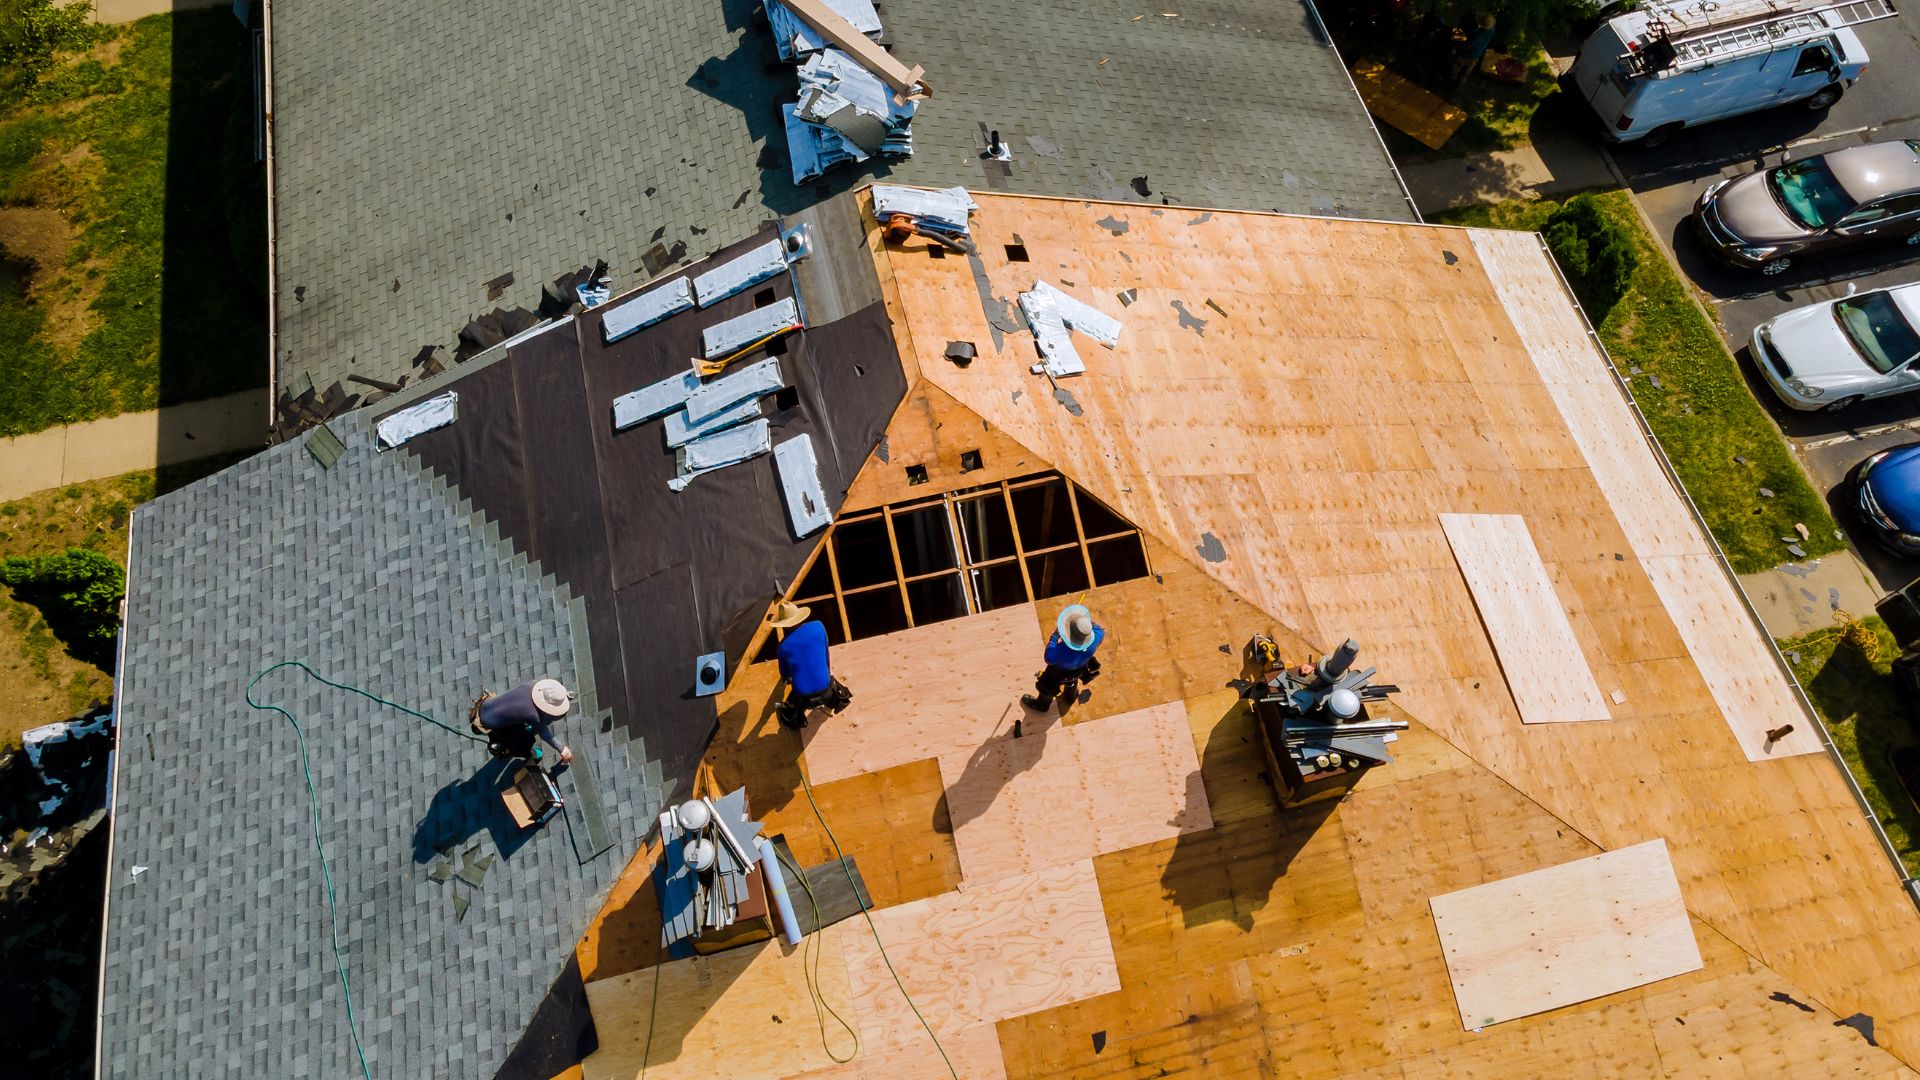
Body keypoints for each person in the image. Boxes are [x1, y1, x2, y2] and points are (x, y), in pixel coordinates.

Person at [769, 600, 852, 730]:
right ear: (799, 616)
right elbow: (825, 652)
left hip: (804, 699)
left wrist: (788, 677)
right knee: (833, 684)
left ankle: (794, 719)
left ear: (783, 625)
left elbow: (785, 676)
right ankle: (833, 702)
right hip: (827, 691)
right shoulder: (818, 627)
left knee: (787, 713)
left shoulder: (783, 646)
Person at [470, 678, 576, 766]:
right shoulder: (534, 716)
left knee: (524, 724)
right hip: (487, 724)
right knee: (523, 740)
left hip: (484, 705)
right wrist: (562, 749)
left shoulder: (532, 684)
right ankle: (526, 753)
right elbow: (544, 732)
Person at [1022, 604, 1104, 714]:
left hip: (1057, 674)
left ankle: (1042, 705)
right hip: (1079, 670)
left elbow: (1048, 658)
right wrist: (1084, 625)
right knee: (1072, 683)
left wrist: (1054, 637)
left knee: (1047, 687)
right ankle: (1070, 698)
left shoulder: (1062, 651)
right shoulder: (1098, 636)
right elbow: (1098, 629)